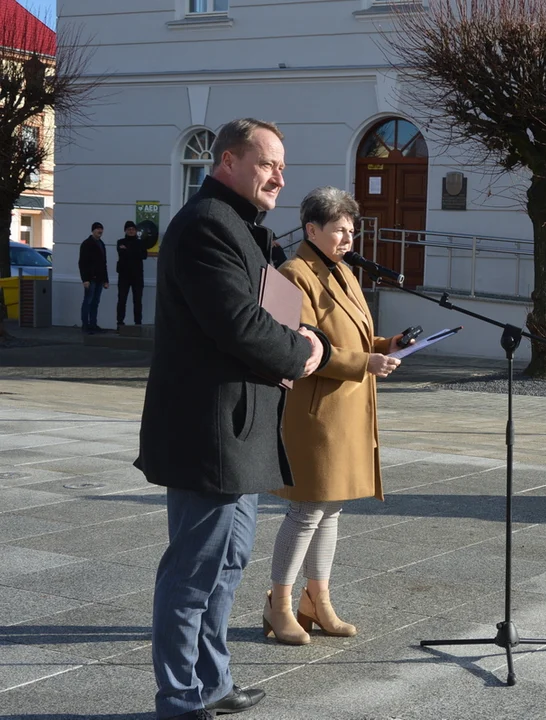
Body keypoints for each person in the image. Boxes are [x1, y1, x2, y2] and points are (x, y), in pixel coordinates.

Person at [135, 118, 330, 720]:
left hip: (241, 429)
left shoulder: (242, 227)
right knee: (194, 572)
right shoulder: (206, 226)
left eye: (282, 166)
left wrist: (306, 337)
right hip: (210, 431)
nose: (281, 176)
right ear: (227, 161)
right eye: (268, 163)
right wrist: (305, 351)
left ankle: (212, 682)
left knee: (228, 565)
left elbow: (273, 311)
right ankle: (180, 697)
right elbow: (240, 326)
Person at [263, 186, 407, 645]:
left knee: (332, 511)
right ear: (311, 229)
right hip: (314, 412)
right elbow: (296, 347)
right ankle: (278, 604)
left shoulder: (342, 271)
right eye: (339, 230)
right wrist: (365, 363)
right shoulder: (291, 274)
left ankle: (317, 600)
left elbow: (350, 335)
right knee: (306, 510)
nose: (348, 238)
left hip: (346, 410)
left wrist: (386, 346)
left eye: (351, 229)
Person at [78, 221, 109, 333]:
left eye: (101, 229)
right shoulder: (87, 244)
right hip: (91, 279)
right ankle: (85, 325)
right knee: (88, 301)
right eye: (97, 229)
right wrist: (85, 279)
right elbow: (82, 263)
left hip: (99, 279)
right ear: (93, 230)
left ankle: (93, 324)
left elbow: (103, 263)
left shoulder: (101, 244)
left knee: (95, 302)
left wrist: (106, 280)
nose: (100, 231)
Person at [116, 220, 148, 326]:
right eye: (129, 229)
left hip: (137, 276)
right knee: (122, 300)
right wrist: (135, 251)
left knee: (138, 300)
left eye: (133, 229)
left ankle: (138, 322)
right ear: (125, 231)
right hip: (124, 275)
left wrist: (128, 250)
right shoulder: (120, 242)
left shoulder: (141, 242)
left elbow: (144, 255)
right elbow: (122, 253)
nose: (131, 231)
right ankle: (120, 322)